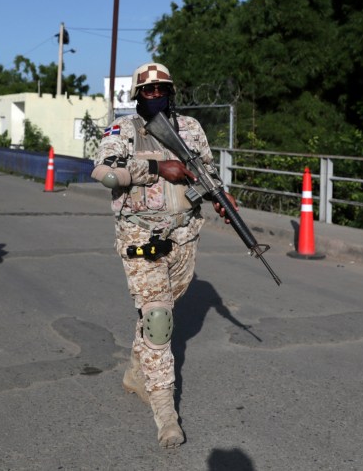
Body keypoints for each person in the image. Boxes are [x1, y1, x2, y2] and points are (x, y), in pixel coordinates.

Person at [91, 62, 236, 448]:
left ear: (171, 92)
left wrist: (220, 196)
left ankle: (138, 372)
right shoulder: (122, 130)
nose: (154, 96)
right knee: (157, 320)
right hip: (141, 238)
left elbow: (204, 170)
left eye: (161, 90)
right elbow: (103, 173)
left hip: (185, 238)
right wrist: (157, 167)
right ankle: (165, 414)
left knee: (164, 310)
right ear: (137, 96)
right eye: (147, 91)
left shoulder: (190, 129)